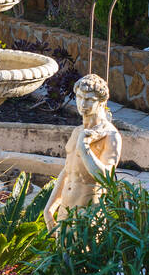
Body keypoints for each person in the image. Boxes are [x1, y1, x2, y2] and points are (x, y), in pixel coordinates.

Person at [43, 73, 122, 230]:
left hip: (88, 214)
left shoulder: (110, 135)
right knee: (60, 254)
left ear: (102, 102)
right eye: (79, 97)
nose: (83, 104)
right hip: (65, 210)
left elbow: (106, 178)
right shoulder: (77, 131)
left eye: (90, 100)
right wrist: (50, 207)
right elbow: (67, 171)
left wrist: (84, 148)